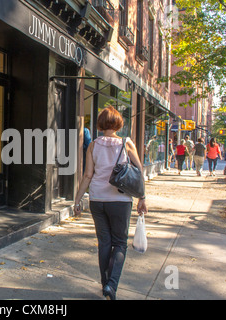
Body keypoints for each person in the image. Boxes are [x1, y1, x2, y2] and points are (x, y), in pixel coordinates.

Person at [73, 106, 147, 300]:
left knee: (104, 242)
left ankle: (105, 284)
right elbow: (139, 171)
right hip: (120, 200)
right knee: (120, 243)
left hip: (97, 199)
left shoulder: (93, 145)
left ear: (100, 124)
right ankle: (111, 286)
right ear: (118, 123)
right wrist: (143, 198)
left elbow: (88, 174)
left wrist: (78, 199)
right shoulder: (126, 143)